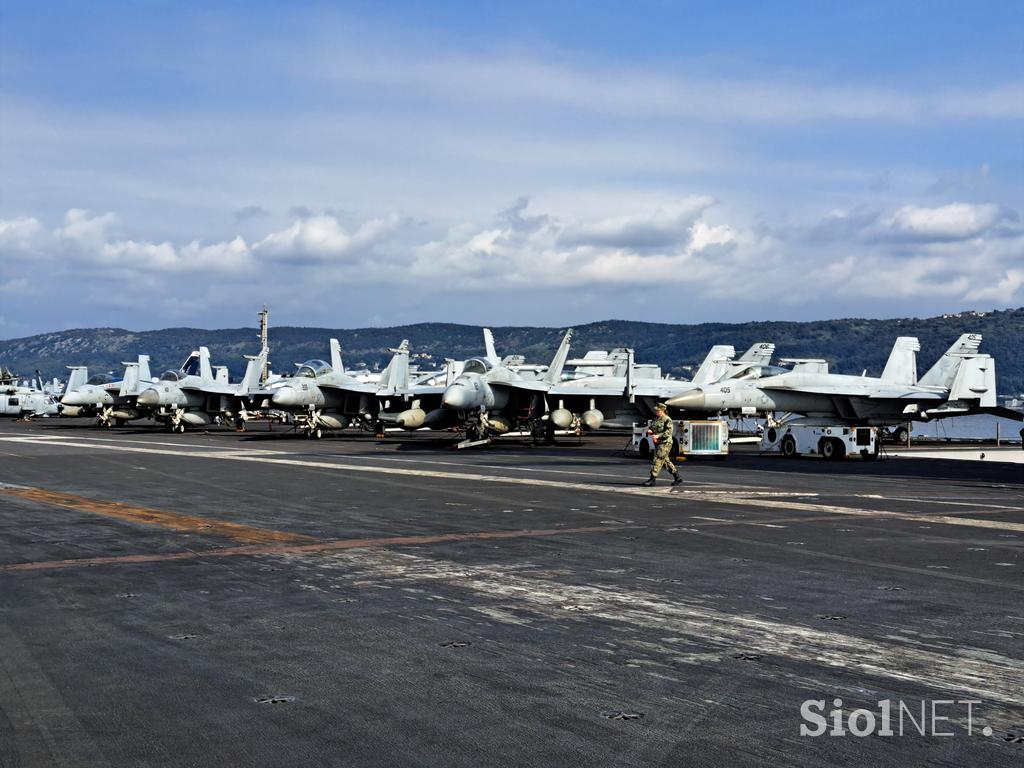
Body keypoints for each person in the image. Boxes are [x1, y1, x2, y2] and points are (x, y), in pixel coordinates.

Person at [642, 403, 683, 487]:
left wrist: (658, 435)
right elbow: (652, 427)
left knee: (657, 459)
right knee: (665, 461)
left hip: (665, 443)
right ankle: (677, 477)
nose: (656, 411)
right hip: (658, 443)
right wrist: (650, 431)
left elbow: (669, 432)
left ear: (662, 410)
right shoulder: (656, 419)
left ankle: (652, 479)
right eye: (656, 410)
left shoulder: (667, 419)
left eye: (657, 410)